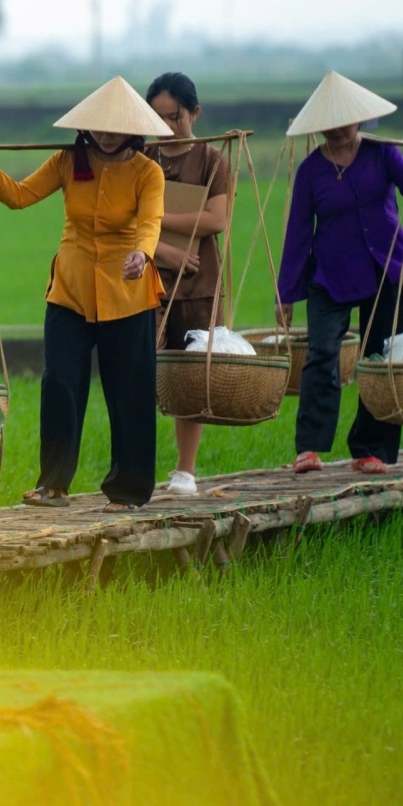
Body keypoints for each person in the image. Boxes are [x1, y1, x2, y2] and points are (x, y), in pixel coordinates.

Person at [0, 76, 171, 512]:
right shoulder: (66, 161)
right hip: (70, 292)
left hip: (127, 293)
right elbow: (19, 196)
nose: (106, 133)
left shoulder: (147, 172)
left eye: (116, 127)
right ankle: (53, 485)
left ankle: (129, 491)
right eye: (99, 126)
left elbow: (151, 222)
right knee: (59, 383)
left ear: (134, 129)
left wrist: (143, 253)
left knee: (129, 390)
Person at [277, 71, 403, 475]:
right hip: (330, 275)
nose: (337, 130)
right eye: (328, 123)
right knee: (322, 354)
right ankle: (309, 448)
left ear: (360, 119)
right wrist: (286, 295)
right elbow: (297, 234)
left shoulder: (382, 153)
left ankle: (370, 449)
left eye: (344, 121)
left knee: (379, 358)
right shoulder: (310, 171)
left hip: (385, 269)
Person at [144, 72, 232, 496]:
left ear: (194, 112)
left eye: (174, 116)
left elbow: (216, 220)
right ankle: (136, 466)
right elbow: (122, 221)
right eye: (157, 118)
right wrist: (160, 247)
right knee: (142, 370)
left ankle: (185, 470)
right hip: (143, 277)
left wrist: (154, 222)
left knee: (191, 374)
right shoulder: (142, 159)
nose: (167, 126)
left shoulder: (213, 160)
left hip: (199, 278)